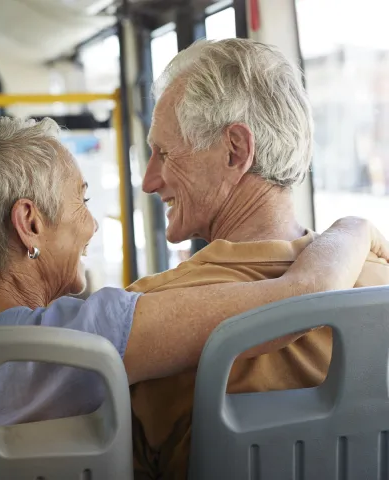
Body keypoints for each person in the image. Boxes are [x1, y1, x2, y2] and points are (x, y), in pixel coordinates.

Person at [0, 118, 385, 437]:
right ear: (30, 223)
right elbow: (302, 295)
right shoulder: (79, 339)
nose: (92, 225)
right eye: (83, 201)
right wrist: (355, 227)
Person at [128, 38, 389, 479]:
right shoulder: (378, 279)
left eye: (164, 153)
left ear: (235, 150)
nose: (150, 181)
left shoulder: (151, 313)